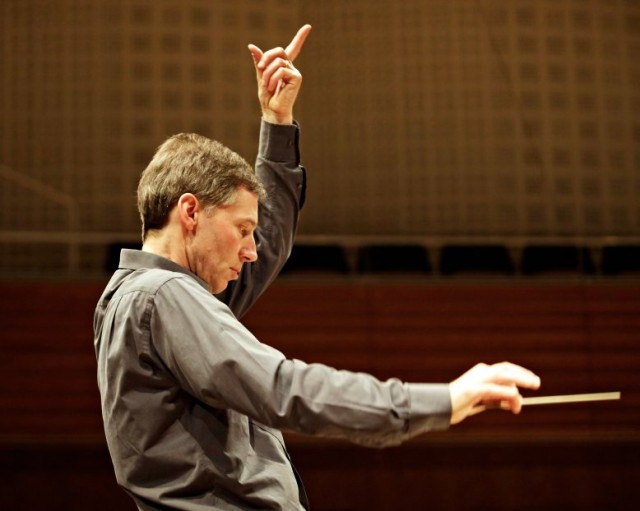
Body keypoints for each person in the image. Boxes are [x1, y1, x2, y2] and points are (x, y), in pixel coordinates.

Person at [94, 25, 541, 511]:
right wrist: (442, 400)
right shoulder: (162, 297)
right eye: (242, 229)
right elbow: (282, 388)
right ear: (190, 211)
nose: (250, 251)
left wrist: (277, 121)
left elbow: (270, 245)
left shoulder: (147, 298)